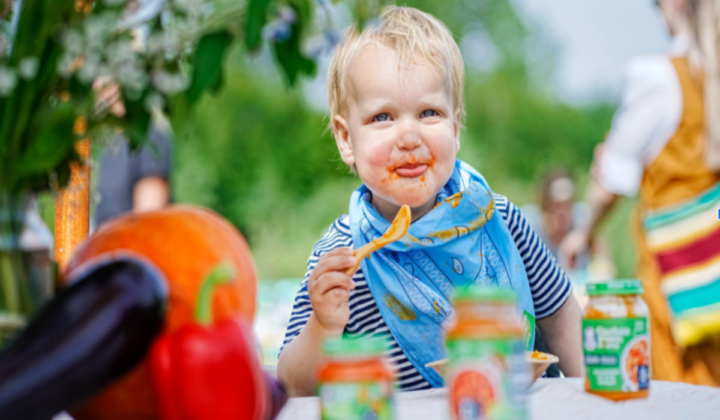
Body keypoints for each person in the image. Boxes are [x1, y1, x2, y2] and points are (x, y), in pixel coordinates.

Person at [277, 6, 582, 396]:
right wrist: (323, 326)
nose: (409, 136)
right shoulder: (343, 256)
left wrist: (590, 399)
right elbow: (291, 385)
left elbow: (560, 315)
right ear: (345, 138)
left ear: (455, 128)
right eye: (383, 117)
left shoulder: (498, 217)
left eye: (429, 113)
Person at [560, 0, 720, 386]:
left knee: (681, 391)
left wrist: (583, 232)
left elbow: (613, 181)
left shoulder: (661, 78)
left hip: (679, 278)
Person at [92, 79, 172, 228]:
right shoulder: (110, 143)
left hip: (128, 247)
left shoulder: (149, 137)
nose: (94, 85)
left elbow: (147, 221)